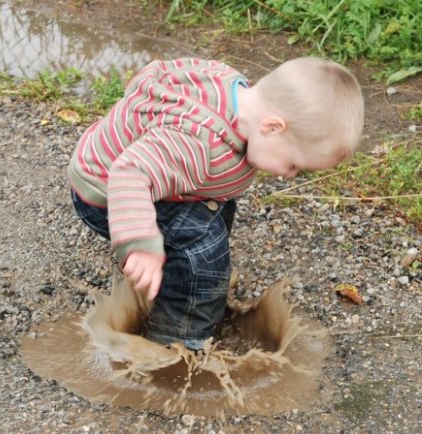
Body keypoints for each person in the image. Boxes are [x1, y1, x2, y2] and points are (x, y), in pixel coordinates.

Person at [68, 57, 364, 350]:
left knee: (212, 221)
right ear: (272, 127)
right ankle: (177, 340)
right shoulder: (197, 144)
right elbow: (129, 174)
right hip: (109, 192)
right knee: (200, 247)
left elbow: (163, 68)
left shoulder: (235, 89)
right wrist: (140, 245)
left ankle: (188, 276)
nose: (289, 176)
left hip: (140, 168)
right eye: (293, 165)